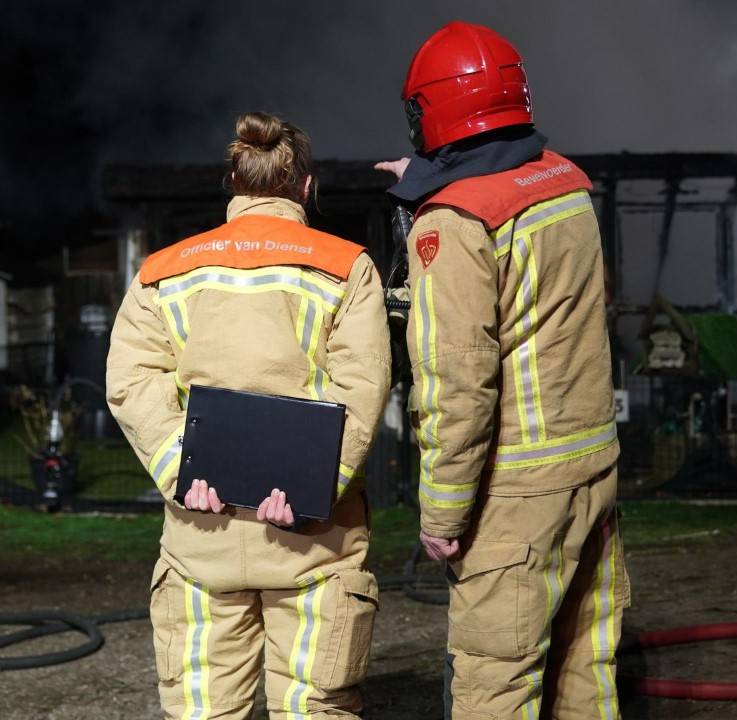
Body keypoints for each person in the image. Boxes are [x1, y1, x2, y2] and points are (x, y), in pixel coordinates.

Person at [376, 21, 629, 720]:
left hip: (516, 492)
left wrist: (443, 514)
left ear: (431, 109)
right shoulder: (564, 181)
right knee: (586, 666)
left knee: (496, 682)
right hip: (592, 467)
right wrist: (426, 185)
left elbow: (457, 382)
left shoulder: (455, 225)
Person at [107, 111, 390, 720]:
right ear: (307, 188)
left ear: (233, 185)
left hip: (199, 544)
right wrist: (310, 487)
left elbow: (131, 383)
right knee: (316, 708)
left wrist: (182, 471)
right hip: (313, 547)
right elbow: (362, 390)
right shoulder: (346, 267)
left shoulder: (165, 271)